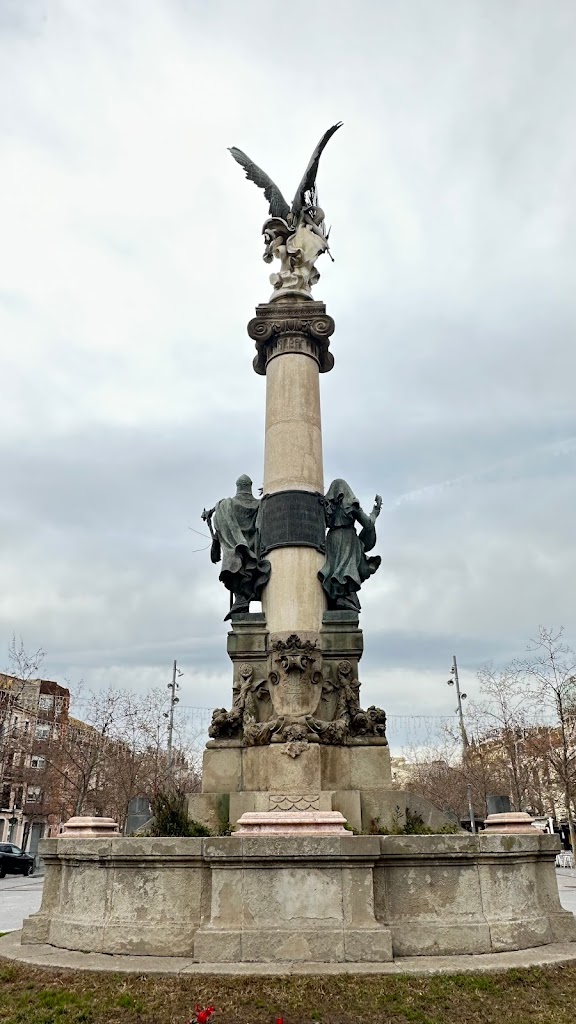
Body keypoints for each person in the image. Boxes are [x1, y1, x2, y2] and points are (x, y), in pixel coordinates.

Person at [205, 475, 271, 620]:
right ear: (250, 486)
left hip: (235, 552)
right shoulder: (260, 504)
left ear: (237, 486)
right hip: (253, 551)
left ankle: (241, 599)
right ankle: (242, 601)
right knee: (245, 568)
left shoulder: (225, 505)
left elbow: (220, 530)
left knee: (235, 565)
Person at [318, 479, 382, 611]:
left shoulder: (327, 506)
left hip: (331, 539)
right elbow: (368, 524)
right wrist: (375, 512)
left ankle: (337, 599)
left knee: (334, 569)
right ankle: (343, 598)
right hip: (347, 539)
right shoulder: (351, 505)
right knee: (344, 571)